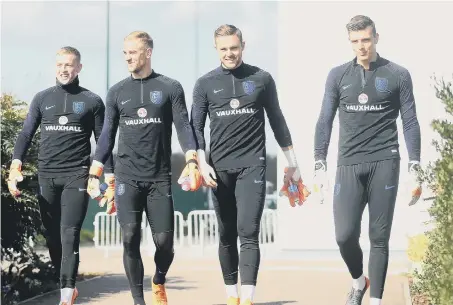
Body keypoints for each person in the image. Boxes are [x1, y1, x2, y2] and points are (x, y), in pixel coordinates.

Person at [190, 24, 309, 305]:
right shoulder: (205, 83)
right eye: (224, 49)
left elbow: (277, 121)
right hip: (218, 170)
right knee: (227, 233)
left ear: (243, 45)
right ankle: (232, 295)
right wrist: (201, 161)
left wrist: (293, 164)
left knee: (248, 230)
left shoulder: (261, 79)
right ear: (216, 49)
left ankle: (248, 297)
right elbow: (195, 126)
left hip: (252, 165)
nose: (229, 53)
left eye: (234, 47)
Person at [313, 15, 422, 305]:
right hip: (348, 163)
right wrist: (319, 163)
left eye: (366, 39)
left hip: (385, 161)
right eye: (355, 41)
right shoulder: (337, 76)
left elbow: (410, 122)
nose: (361, 46)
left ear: (376, 37)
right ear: (349, 42)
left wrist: (415, 165)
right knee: (344, 235)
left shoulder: (398, 74)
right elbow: (325, 119)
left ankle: (375, 300)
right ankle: (359, 281)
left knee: (379, 237)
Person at [86, 31, 201, 305]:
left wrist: (192, 159)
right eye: (125, 52)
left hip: (159, 177)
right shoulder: (116, 92)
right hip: (127, 177)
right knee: (129, 237)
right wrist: (95, 171)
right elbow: (106, 136)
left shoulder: (170, 87)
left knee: (165, 243)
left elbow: (183, 126)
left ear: (148, 52)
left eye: (133, 52)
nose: (127, 57)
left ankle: (159, 278)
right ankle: (139, 301)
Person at [7, 46, 114, 305]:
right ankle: (64, 281)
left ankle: (67, 292)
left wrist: (109, 177)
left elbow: (103, 142)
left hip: (77, 175)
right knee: (52, 235)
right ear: (54, 67)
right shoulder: (42, 98)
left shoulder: (92, 101)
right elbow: (25, 133)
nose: (64, 70)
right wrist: (15, 164)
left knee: (70, 233)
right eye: (60, 65)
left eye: (69, 65)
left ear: (79, 68)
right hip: (47, 175)